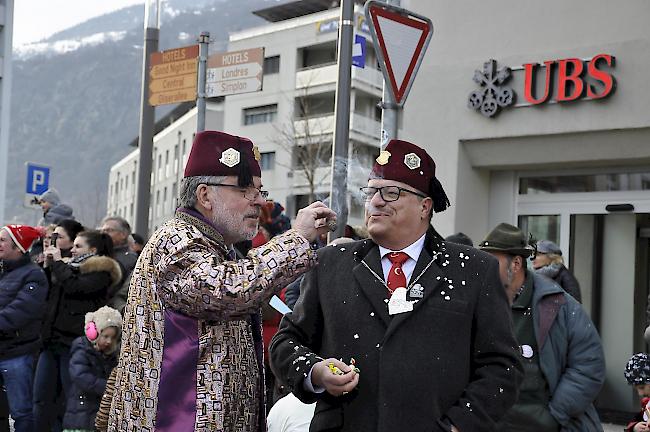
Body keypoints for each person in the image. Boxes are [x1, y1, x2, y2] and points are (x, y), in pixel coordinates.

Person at [270, 139, 523, 432]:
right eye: (371, 192)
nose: (376, 201)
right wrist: (315, 372)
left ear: (424, 206)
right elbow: (286, 342)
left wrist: (457, 426)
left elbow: (503, 366)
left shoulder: (474, 268)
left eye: (391, 193)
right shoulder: (330, 264)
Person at [107, 130, 336, 432]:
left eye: (260, 191)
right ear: (204, 195)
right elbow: (230, 290)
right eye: (245, 190)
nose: (259, 203)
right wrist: (296, 240)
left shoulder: (214, 246)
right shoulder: (176, 241)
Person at [479, 223, 605, 431]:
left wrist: (554, 415)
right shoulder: (479, 302)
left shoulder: (558, 304)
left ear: (516, 264)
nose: (485, 267)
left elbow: (588, 364)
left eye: (492, 261)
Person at [34, 230, 121, 432]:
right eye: (73, 245)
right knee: (41, 399)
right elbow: (52, 293)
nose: (72, 249)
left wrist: (57, 264)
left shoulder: (102, 271)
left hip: (73, 344)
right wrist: (48, 268)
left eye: (78, 246)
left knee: (67, 399)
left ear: (93, 250)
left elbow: (75, 287)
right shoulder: (68, 267)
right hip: (50, 341)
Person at [0, 224, 48, 432]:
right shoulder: (3, 272)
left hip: (17, 353)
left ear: (19, 246)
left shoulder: (34, 275)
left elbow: (18, 313)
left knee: (21, 411)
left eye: (3, 240)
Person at [62, 306, 121, 432]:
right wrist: (109, 388)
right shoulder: (81, 348)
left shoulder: (112, 356)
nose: (109, 341)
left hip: (98, 413)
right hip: (80, 413)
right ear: (94, 332)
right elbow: (80, 376)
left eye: (112, 337)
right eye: (105, 336)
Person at [624, 353, 650, 432]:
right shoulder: (646, 404)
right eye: (637, 389)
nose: (640, 393)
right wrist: (634, 427)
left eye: (642, 387)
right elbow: (636, 420)